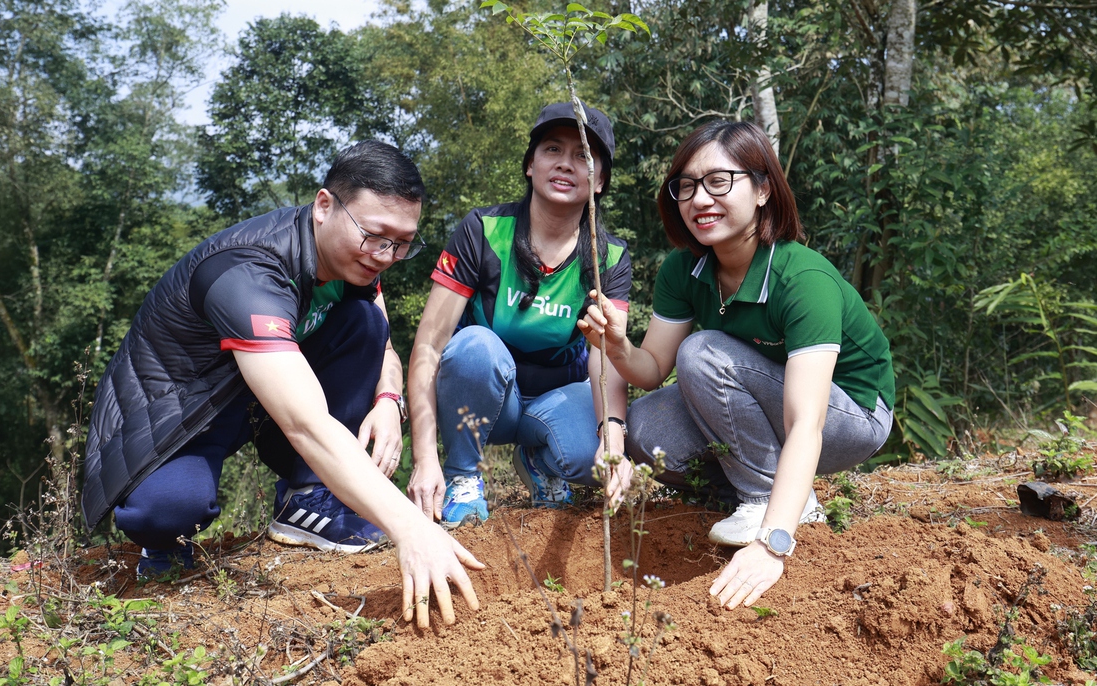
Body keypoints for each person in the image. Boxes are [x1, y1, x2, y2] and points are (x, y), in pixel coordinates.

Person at [81, 141, 482, 628]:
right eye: (376, 236)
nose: (386, 256)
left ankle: (305, 500)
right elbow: (306, 423)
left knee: (365, 326)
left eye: (402, 243)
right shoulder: (247, 270)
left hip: (256, 392)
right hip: (179, 412)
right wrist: (412, 529)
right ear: (324, 206)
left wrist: (387, 399)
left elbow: (386, 348)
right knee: (169, 510)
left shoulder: (356, 262)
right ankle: (160, 544)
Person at [578, 121, 894, 609]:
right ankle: (774, 491)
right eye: (686, 186)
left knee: (702, 353)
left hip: (850, 415)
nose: (700, 199)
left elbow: (805, 422)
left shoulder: (802, 278)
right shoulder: (685, 269)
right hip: (769, 402)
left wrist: (773, 545)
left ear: (764, 188)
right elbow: (653, 367)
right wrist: (618, 347)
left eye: (719, 181)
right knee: (645, 430)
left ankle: (777, 506)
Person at [407, 102, 634, 528]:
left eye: (583, 156)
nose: (565, 164)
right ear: (531, 164)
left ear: (600, 180)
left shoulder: (609, 257)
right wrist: (424, 459)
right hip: (481, 397)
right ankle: (462, 477)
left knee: (590, 459)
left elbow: (607, 355)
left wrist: (613, 442)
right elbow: (429, 345)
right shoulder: (483, 230)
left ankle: (541, 462)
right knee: (475, 346)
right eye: (551, 149)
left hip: (557, 397)